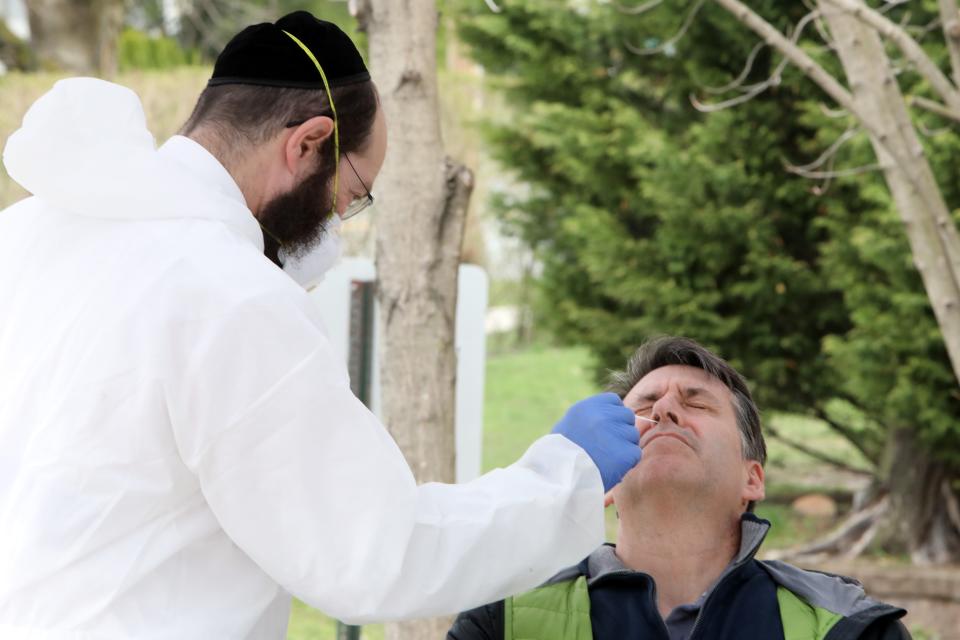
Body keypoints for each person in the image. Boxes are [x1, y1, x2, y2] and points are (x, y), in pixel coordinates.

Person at [0, 12, 643, 638]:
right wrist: (568, 474)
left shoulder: (28, 235)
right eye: (355, 189)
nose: (343, 218)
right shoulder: (233, 295)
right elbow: (372, 552)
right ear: (307, 143)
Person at [448, 336, 911, 640]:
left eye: (697, 404)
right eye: (646, 404)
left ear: (752, 478)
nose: (665, 409)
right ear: (605, 482)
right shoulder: (502, 622)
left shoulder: (849, 628)